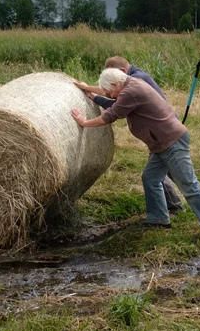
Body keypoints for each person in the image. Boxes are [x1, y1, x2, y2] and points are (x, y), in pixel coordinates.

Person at [71, 67, 200, 238]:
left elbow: (111, 115)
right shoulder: (129, 84)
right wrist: (88, 88)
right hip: (161, 144)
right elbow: (108, 93)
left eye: (110, 91)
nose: (109, 95)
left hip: (171, 142)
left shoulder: (131, 92)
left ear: (116, 84)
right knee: (150, 178)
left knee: (189, 186)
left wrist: (84, 122)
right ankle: (158, 218)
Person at [73, 56, 185, 214]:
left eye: (111, 88)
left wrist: (90, 110)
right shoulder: (133, 78)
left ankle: (173, 208)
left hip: (162, 132)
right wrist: (89, 89)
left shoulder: (136, 82)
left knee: (159, 172)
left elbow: (116, 106)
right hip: (159, 131)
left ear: (121, 73)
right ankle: (171, 209)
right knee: (164, 170)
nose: (111, 94)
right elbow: (114, 94)